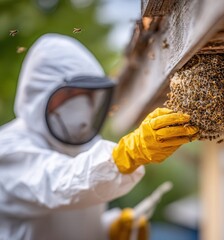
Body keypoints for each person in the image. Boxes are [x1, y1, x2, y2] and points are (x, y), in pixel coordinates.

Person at [0, 33, 199, 240]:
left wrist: (108, 229)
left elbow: (73, 218)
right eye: (71, 94)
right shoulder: (8, 148)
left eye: (88, 95)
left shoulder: (88, 148)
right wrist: (127, 154)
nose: (83, 105)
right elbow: (60, 184)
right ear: (38, 94)